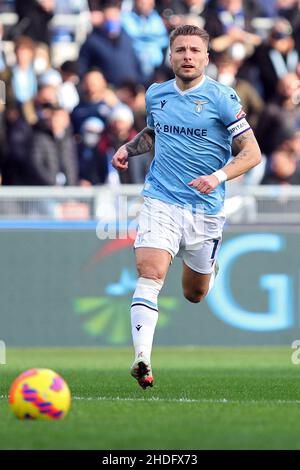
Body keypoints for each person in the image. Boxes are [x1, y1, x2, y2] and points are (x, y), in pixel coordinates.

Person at [111, 24, 261, 389]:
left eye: (195, 50)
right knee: (150, 271)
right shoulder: (156, 94)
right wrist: (129, 148)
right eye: (181, 50)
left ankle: (208, 266)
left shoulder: (222, 98)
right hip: (161, 198)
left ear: (206, 58)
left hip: (206, 208)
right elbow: (155, 132)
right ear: (170, 55)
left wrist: (219, 177)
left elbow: (252, 153)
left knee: (195, 294)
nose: (188, 56)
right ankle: (142, 357)